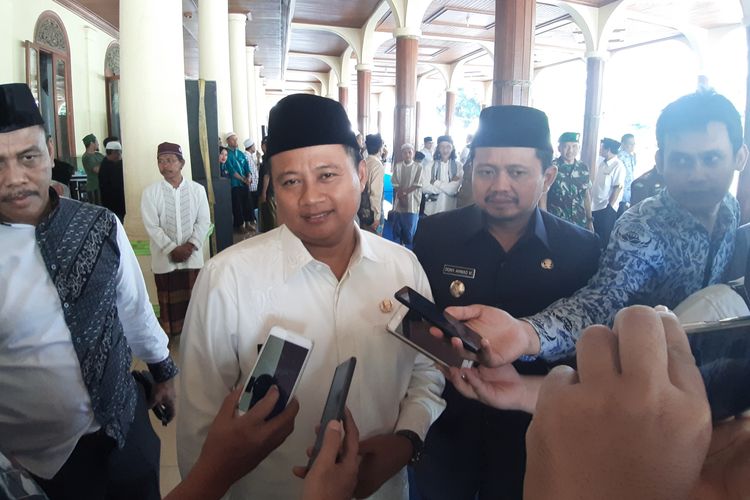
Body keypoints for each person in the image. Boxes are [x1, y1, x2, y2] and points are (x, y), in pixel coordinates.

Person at [177, 94, 445, 500]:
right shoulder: (227, 279)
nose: (311, 198)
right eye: (290, 181)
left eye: (327, 175)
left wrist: (407, 439)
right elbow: (199, 427)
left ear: (359, 172)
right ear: (272, 189)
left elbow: (427, 372)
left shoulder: (402, 268)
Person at [434, 91, 748, 370]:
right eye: (681, 160)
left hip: (717, 378)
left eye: (711, 159)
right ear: (661, 162)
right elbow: (601, 303)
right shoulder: (643, 230)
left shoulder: (730, 210)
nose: (697, 175)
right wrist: (526, 334)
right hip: (646, 387)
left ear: (739, 157)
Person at [0, 83, 178, 500]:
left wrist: (163, 370)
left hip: (125, 428)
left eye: (28, 157)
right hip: (35, 462)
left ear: (48, 150)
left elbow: (133, 307)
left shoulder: (99, 225)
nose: (15, 179)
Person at [412, 105, 600, 500]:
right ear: (471, 172)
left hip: (535, 432)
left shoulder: (580, 249)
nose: (500, 185)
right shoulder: (435, 235)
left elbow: (585, 352)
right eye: (486, 171)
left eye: (517, 172)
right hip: (448, 423)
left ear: (547, 176)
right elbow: (417, 323)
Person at [141, 142, 211, 338]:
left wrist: (190, 245)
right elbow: (152, 226)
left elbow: (204, 220)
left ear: (182, 163)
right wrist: (173, 248)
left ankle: (195, 335)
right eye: (161, 161)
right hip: (165, 259)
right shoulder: (150, 193)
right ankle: (170, 336)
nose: (165, 166)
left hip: (192, 256)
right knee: (168, 302)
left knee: (194, 300)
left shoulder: (197, 190)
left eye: (170, 160)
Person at [540, 132, 593, 230]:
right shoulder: (551, 167)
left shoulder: (583, 168)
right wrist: (544, 221)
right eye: (566, 146)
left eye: (574, 146)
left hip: (579, 223)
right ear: (559, 148)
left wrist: (590, 220)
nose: (570, 150)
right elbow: (543, 196)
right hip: (557, 223)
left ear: (579, 148)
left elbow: (586, 195)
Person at [591, 137, 625, 247]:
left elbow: (617, 188)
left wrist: (609, 207)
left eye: (602, 147)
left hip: (606, 209)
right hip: (595, 206)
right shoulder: (602, 163)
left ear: (608, 149)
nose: (600, 150)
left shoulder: (618, 166)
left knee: (603, 239)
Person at [391, 143, 423, 247]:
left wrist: (403, 193)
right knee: (398, 227)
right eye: (405, 153)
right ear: (402, 154)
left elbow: (417, 184)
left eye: (410, 152)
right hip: (399, 200)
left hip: (412, 202)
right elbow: (394, 182)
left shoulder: (418, 167)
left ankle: (408, 249)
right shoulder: (398, 166)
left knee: (409, 229)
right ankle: (399, 246)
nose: (407, 155)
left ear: (413, 153)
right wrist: (400, 194)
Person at [422, 135, 462, 216]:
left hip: (451, 209)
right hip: (431, 210)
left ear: (453, 148)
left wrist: (435, 182)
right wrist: (448, 185)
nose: (445, 150)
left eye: (448, 146)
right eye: (442, 146)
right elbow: (424, 188)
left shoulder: (459, 166)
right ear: (438, 148)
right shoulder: (430, 165)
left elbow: (453, 190)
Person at [225, 131, 253, 233]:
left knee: (247, 203)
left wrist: (249, 177)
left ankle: (248, 223)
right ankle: (240, 225)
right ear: (228, 141)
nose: (236, 141)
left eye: (236, 139)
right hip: (235, 184)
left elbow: (247, 167)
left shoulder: (240, 153)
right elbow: (231, 170)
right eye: (233, 139)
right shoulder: (226, 154)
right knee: (238, 205)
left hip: (245, 183)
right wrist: (243, 180)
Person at [99, 140, 126, 222]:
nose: (120, 155)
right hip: (114, 205)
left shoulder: (107, 163)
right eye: (119, 153)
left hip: (114, 205)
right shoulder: (108, 166)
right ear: (114, 153)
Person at [363, 133, 385, 234]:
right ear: (380, 147)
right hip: (372, 213)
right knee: (376, 241)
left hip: (362, 209)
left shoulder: (363, 162)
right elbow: (375, 193)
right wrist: (376, 217)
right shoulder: (377, 165)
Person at [81, 133, 104, 205]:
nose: (98, 144)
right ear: (91, 143)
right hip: (94, 187)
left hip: (103, 187)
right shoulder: (86, 157)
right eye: (96, 142)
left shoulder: (98, 154)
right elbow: (97, 170)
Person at [617, 132, 637, 216]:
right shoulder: (620, 156)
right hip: (621, 194)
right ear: (623, 144)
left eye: (634, 144)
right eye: (630, 144)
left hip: (628, 194)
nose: (632, 146)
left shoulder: (631, 156)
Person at [244, 138, 260, 229]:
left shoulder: (250, 156)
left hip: (254, 185)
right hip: (251, 186)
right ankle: (252, 221)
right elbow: (248, 172)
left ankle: (254, 220)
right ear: (250, 147)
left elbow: (255, 170)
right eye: (254, 146)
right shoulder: (246, 156)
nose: (255, 147)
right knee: (252, 205)